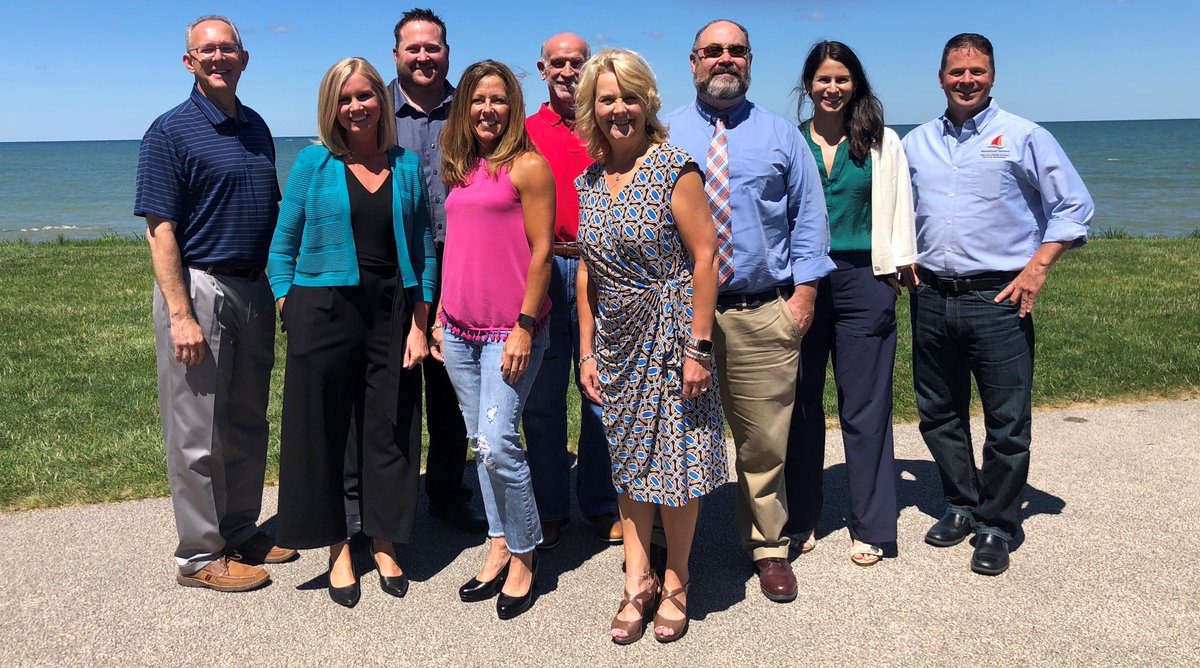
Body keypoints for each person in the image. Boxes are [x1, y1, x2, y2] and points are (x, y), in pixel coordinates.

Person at [902, 33, 1093, 575]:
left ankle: (998, 525)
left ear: (992, 75)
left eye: (977, 71)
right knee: (938, 413)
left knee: (1007, 421)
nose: (967, 80)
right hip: (933, 295)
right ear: (940, 78)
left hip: (998, 297)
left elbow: (1073, 205)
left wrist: (1037, 267)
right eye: (957, 72)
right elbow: (897, 208)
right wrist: (902, 255)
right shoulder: (916, 143)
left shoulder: (1024, 136)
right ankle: (962, 505)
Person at [662, 19, 833, 603]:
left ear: (750, 61)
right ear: (693, 61)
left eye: (736, 51)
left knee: (763, 441)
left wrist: (803, 297)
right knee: (678, 433)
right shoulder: (664, 134)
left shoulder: (783, 136)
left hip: (763, 311)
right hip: (680, 313)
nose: (725, 60)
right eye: (713, 51)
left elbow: (810, 221)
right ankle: (670, 547)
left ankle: (767, 546)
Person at [134, 14, 296, 593]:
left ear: (245, 58)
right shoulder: (169, 131)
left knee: (247, 421)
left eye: (229, 48)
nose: (220, 56)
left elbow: (273, 211)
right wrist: (180, 313)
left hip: (253, 287)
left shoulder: (256, 126)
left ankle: (239, 528)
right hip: (200, 287)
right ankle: (200, 554)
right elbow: (160, 229)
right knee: (195, 430)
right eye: (208, 49)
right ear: (189, 62)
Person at [267, 57, 436, 607]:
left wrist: (420, 319)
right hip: (324, 306)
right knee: (323, 429)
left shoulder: (405, 163)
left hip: (390, 308)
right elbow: (282, 243)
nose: (357, 106)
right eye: (345, 98)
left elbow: (424, 245)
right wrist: (287, 302)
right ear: (331, 107)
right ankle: (338, 544)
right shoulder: (313, 164)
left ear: (380, 101)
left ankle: (384, 539)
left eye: (365, 95)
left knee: (391, 421)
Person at [574, 48, 727, 644]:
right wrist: (586, 349)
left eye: (629, 96)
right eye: (607, 98)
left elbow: (705, 257)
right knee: (630, 463)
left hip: (670, 333)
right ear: (592, 107)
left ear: (647, 102)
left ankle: (677, 577)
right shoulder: (589, 179)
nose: (619, 109)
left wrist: (699, 347)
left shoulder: (674, 167)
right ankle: (636, 580)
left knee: (676, 465)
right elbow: (588, 270)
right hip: (615, 339)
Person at [430, 60, 554, 620]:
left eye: (498, 99)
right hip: (457, 327)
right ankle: (498, 539)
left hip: (511, 331)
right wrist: (437, 317)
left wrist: (525, 326)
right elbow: (456, 245)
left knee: (500, 440)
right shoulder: (458, 165)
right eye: (477, 99)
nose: (487, 109)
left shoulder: (528, 166)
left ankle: (525, 554)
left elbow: (542, 251)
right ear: (464, 107)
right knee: (482, 441)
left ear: (513, 106)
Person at [784, 41, 915, 567]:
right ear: (808, 85)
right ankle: (800, 518)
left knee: (866, 407)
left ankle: (873, 525)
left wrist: (900, 264)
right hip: (802, 283)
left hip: (866, 280)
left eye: (842, 79)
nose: (832, 88)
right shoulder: (791, 142)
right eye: (823, 79)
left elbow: (902, 204)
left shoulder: (882, 142)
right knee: (800, 405)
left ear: (854, 84)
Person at [371, 7, 486, 533]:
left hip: (461, 263)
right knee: (392, 387)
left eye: (432, 47)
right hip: (395, 266)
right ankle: (388, 499)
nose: (423, 56)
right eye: (412, 48)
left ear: (446, 53)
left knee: (450, 391)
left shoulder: (474, 109)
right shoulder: (375, 111)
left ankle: (443, 492)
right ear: (395, 55)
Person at [521, 32, 622, 550]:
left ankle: (600, 503)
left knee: (600, 394)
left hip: (601, 270)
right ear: (542, 69)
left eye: (576, 62)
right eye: (557, 63)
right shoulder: (524, 129)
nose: (566, 70)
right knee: (541, 399)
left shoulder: (607, 123)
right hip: (543, 268)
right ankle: (550, 506)